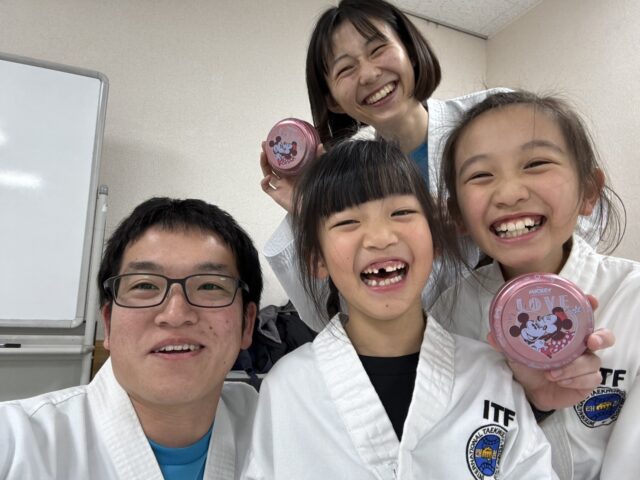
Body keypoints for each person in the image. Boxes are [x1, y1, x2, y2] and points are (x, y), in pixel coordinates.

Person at [259, 0, 612, 426]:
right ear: (331, 97)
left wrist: (481, 227)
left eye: (378, 49)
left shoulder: (490, 117)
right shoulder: (351, 168)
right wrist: (307, 207)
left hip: (543, 331)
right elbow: (328, 313)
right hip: (444, 377)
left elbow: (575, 218)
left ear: (410, 50)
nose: (368, 74)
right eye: (345, 69)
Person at [243, 139, 558, 479]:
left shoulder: (490, 374)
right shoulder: (288, 388)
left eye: (401, 213)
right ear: (316, 259)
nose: (380, 237)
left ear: (435, 239)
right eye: (347, 222)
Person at [433, 90, 639, 479]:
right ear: (458, 215)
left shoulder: (633, 298)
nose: (509, 193)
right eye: (480, 175)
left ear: (588, 191)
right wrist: (530, 402)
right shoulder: (448, 315)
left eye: (536, 163)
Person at [0, 197, 263, 480]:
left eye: (209, 286)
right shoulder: (15, 443)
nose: (176, 314)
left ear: (247, 324)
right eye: (145, 285)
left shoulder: (272, 427)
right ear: (108, 324)